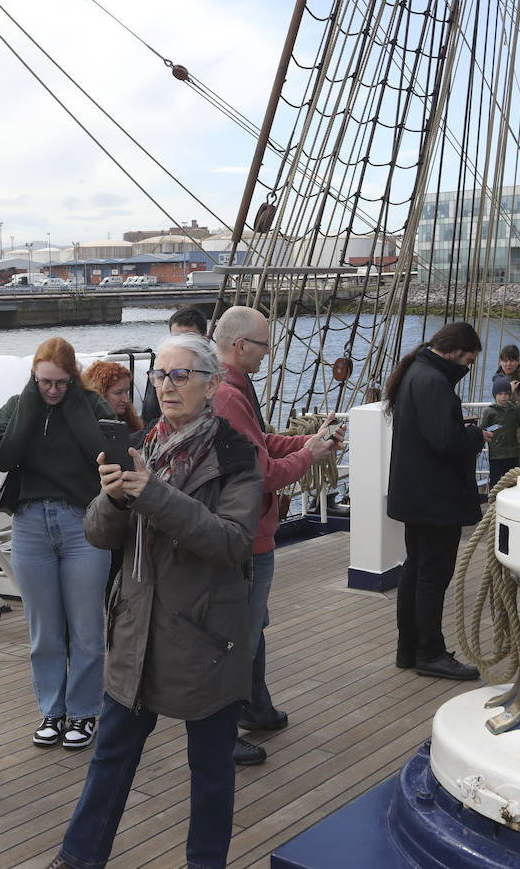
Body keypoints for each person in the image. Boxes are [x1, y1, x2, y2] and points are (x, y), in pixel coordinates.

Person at [48, 333, 263, 869]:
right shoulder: (145, 449)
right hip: (136, 629)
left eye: (180, 375)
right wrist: (113, 496)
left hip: (204, 634)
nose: (166, 385)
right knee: (111, 756)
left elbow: (232, 541)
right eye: (159, 374)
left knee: (211, 768)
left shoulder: (236, 455)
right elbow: (99, 535)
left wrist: (151, 493)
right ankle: (78, 859)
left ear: (211, 384)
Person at [211, 306, 344, 767]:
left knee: (253, 628)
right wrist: (309, 456)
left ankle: (256, 708)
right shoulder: (229, 396)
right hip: (247, 540)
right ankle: (222, 736)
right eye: (265, 346)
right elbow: (262, 473)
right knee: (239, 638)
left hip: (253, 536)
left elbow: (261, 444)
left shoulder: (232, 391)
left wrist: (307, 444)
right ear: (241, 346)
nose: (269, 355)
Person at [0, 337, 115, 750]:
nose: (53, 391)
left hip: (82, 523)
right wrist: (30, 400)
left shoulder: (92, 405)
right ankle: (52, 711)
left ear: (74, 378)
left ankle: (82, 713)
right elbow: (5, 456)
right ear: (33, 377)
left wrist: (76, 401)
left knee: (85, 627)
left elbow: (102, 452)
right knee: (43, 629)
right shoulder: (19, 403)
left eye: (62, 383)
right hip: (31, 524)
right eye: (44, 382)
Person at [384, 320, 488, 682]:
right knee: (432, 575)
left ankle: (408, 649)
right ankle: (430, 653)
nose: (468, 368)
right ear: (456, 353)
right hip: (435, 499)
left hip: (416, 495)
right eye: (469, 361)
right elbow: (447, 442)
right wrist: (476, 436)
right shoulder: (433, 382)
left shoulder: (418, 372)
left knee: (415, 570)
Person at [140, 305, 208, 423]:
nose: (166, 387)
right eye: (176, 338)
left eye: (189, 339)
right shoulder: (159, 372)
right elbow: (150, 413)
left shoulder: (219, 374)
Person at [480, 375, 520, 488]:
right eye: (500, 394)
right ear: (495, 395)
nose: (503, 397)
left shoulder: (514, 410)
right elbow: (481, 432)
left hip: (512, 453)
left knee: (513, 482)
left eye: (506, 393)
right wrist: (477, 448)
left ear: (509, 394)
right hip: (496, 455)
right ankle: (495, 503)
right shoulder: (489, 412)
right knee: (495, 483)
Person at [83, 360, 142, 433]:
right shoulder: (87, 428)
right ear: (100, 394)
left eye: (126, 392)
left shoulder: (130, 423)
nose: (126, 400)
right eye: (118, 393)